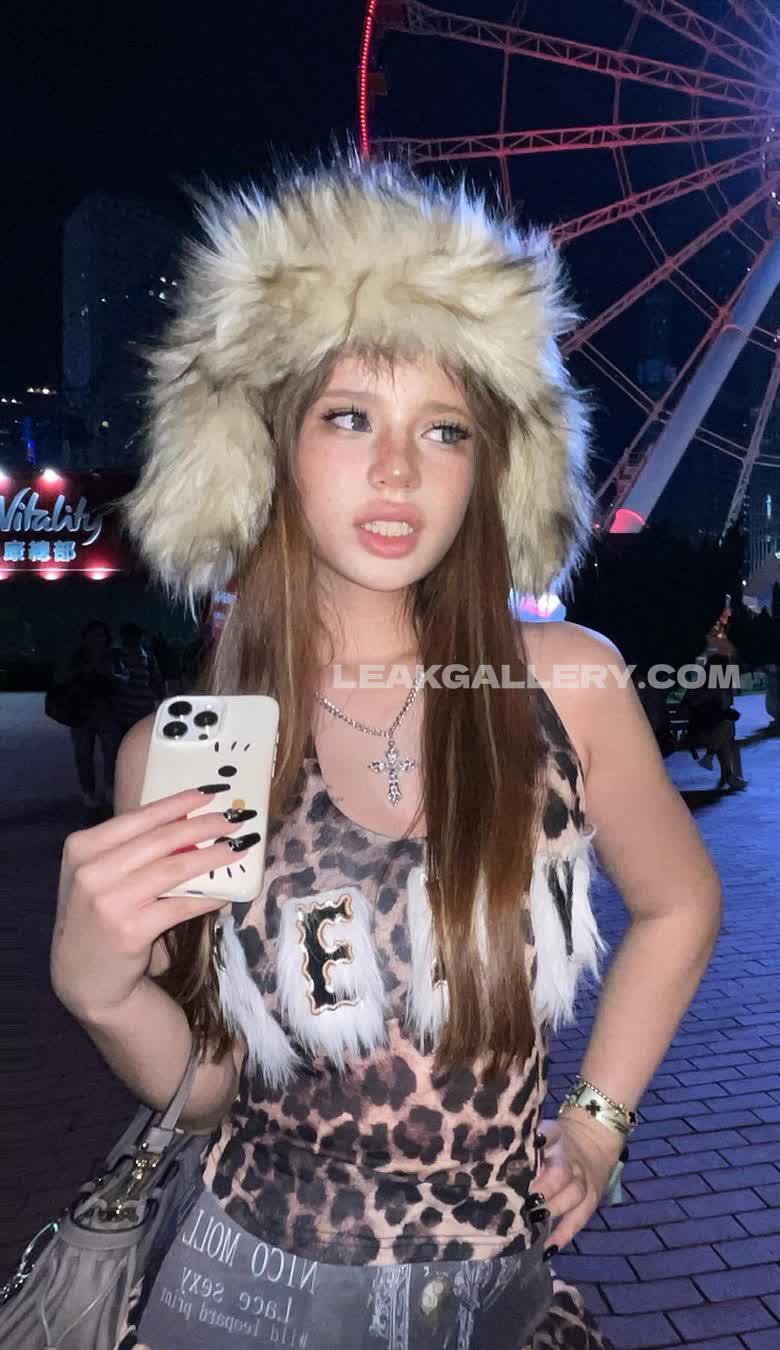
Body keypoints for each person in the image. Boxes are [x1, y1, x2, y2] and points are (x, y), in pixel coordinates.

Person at [48, 155, 724, 1349]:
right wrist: (101, 994)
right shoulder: (201, 748)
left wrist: (601, 1121)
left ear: (489, 465)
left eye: (444, 429)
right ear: (270, 443)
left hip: (494, 1295)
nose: (399, 469)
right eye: (350, 415)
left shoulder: (564, 687)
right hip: (246, 1297)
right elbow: (209, 1091)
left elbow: (679, 905)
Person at [63, 618, 124, 808]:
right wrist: (84, 672)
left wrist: (110, 674)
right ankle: (88, 791)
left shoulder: (113, 656)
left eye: (100, 635)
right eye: (93, 635)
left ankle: (110, 788)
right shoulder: (77, 658)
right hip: (82, 713)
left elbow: (124, 678)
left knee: (112, 754)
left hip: (108, 712)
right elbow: (65, 679)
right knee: (83, 754)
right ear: (85, 638)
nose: (97, 639)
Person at [684, 628, 747, 791]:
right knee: (726, 730)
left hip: (714, 727)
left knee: (725, 730)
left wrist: (724, 708)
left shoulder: (719, 684)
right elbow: (694, 705)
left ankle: (723, 770)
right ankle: (723, 770)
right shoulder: (701, 682)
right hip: (700, 729)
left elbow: (726, 703)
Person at [113, 622, 167, 734]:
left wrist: (161, 700)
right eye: (130, 635)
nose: (134, 638)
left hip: (145, 713)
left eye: (137, 635)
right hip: (123, 717)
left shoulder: (149, 658)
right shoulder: (117, 657)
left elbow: (157, 681)